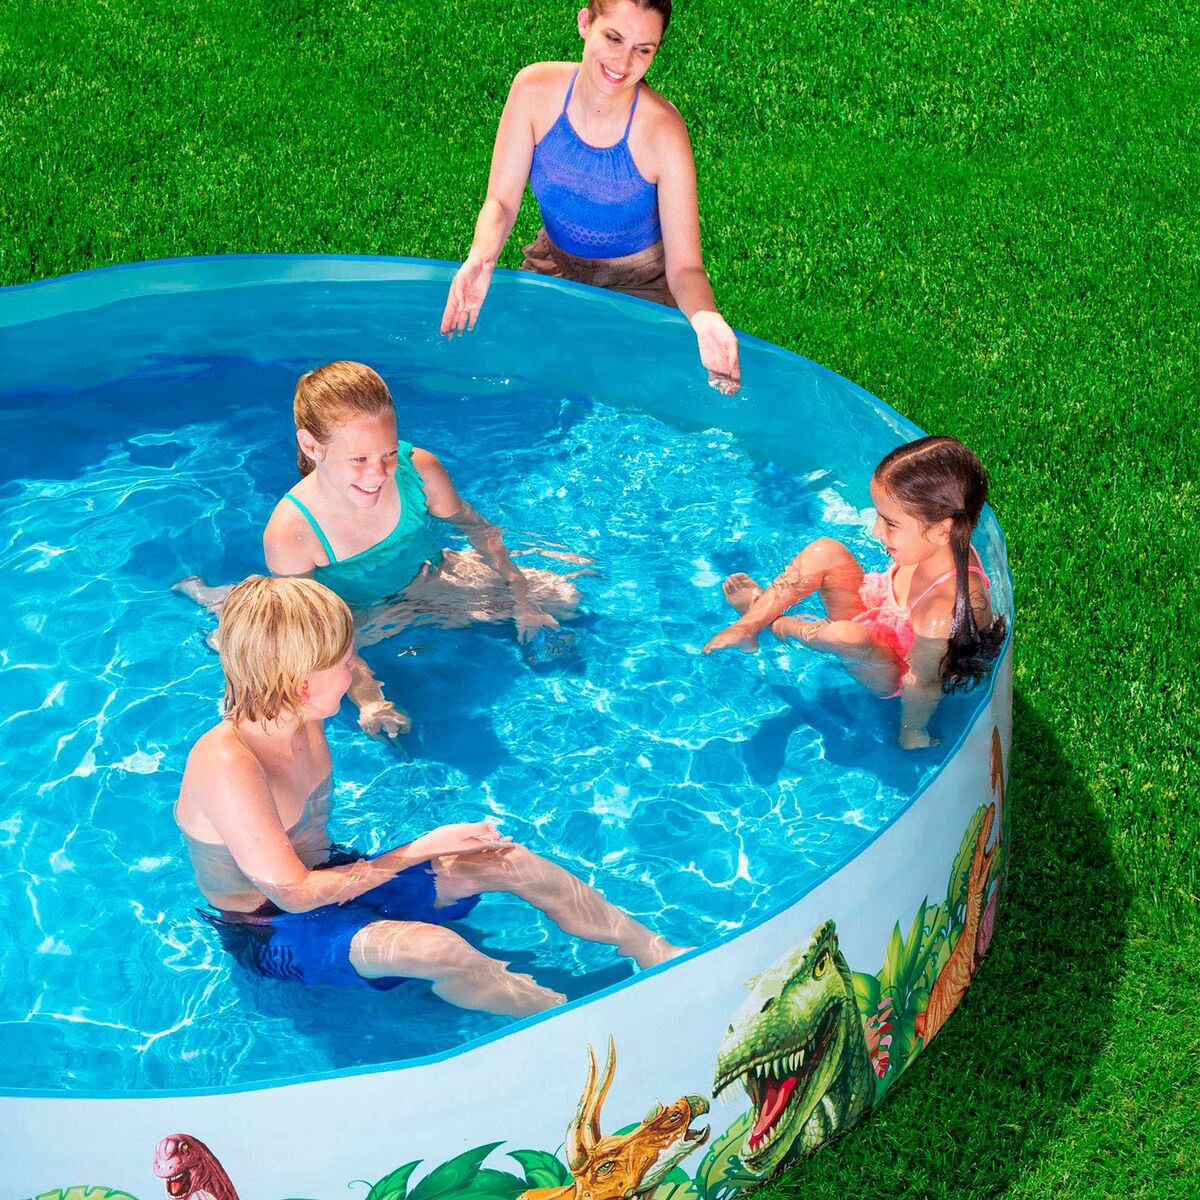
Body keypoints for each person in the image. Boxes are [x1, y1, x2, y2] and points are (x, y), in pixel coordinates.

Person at [176, 575, 685, 1017]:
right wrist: (421, 850)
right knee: (439, 949)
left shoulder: (296, 710)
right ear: (298, 683)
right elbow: (293, 894)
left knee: (508, 860)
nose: (355, 664)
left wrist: (372, 702)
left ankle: (659, 955)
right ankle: (574, 1023)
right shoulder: (229, 765)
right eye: (343, 660)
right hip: (270, 927)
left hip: (336, 877)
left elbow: (265, 648)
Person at [179, 360, 585, 738]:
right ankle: (222, 603)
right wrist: (370, 698)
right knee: (284, 661)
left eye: (388, 453)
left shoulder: (418, 471)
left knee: (562, 598)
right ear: (311, 446)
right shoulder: (292, 532)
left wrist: (523, 599)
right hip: (355, 615)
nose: (378, 474)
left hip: (429, 579)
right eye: (358, 459)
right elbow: (316, 629)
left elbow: (479, 530)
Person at [440, 0, 741, 396]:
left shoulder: (663, 131)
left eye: (643, 50)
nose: (623, 62)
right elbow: (502, 202)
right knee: (518, 387)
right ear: (585, 22)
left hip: (640, 289)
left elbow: (685, 267)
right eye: (613, 38)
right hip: (555, 266)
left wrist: (705, 318)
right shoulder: (534, 90)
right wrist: (481, 257)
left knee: (614, 400)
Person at [702, 436, 1006, 749]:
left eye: (890, 523)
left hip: (891, 671)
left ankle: (774, 623)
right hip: (880, 617)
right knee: (826, 551)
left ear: (942, 529)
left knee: (847, 635)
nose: (876, 531)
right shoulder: (933, 545)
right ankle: (747, 625)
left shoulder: (940, 617)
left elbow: (923, 684)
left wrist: (912, 732)